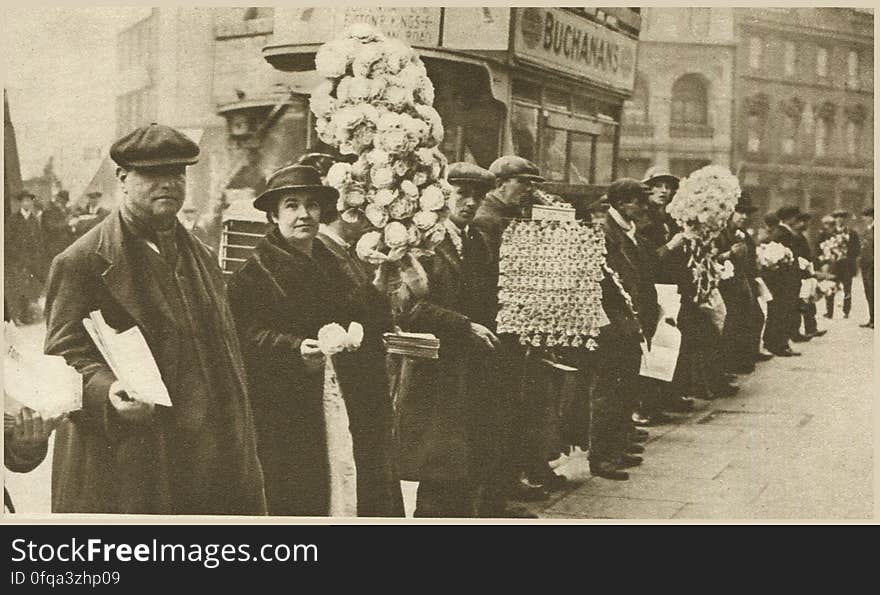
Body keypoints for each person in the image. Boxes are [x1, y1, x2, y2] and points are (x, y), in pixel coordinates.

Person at [43, 123, 266, 514]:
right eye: (152, 173)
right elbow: (61, 357)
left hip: (210, 458)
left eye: (176, 173)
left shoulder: (201, 256)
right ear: (122, 179)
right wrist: (107, 391)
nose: (167, 183)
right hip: (133, 461)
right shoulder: (82, 261)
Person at [395, 162, 501, 517]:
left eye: (478, 197)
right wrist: (464, 325)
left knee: (467, 466)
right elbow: (408, 309)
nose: (470, 203)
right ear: (444, 196)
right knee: (437, 468)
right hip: (435, 371)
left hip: (471, 370)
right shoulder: (423, 242)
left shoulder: (478, 241)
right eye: (462, 195)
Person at [314, 166, 404, 517]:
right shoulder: (326, 252)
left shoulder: (344, 251)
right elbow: (351, 312)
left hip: (363, 379)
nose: (373, 222)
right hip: (352, 381)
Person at [472, 155, 550, 502]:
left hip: (512, 324)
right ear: (501, 183)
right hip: (497, 326)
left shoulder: (507, 216)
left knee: (515, 406)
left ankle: (508, 481)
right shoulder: (488, 220)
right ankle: (499, 489)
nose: (529, 190)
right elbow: (493, 277)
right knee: (500, 411)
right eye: (524, 183)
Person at [589, 179, 659, 481]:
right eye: (637, 201)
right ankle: (602, 456)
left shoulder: (626, 232)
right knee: (609, 392)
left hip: (630, 323)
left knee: (624, 389)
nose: (644, 208)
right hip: (615, 325)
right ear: (620, 203)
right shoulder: (605, 233)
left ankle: (616, 448)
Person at [717, 199, 766, 374]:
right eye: (740, 212)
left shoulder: (740, 233)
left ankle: (742, 361)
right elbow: (712, 257)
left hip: (742, 282)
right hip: (725, 285)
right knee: (731, 326)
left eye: (747, 213)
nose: (744, 217)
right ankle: (730, 366)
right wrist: (730, 253)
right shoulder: (720, 232)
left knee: (746, 321)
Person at [762, 205, 804, 357]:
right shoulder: (783, 233)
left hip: (784, 279)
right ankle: (778, 344)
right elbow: (775, 257)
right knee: (781, 312)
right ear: (790, 218)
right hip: (783, 280)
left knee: (781, 312)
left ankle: (777, 343)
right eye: (795, 217)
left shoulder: (782, 232)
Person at [5, 190, 48, 324]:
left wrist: (38, 259)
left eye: (29, 200)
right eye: (23, 201)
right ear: (20, 203)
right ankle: (17, 317)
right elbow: (8, 241)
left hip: (32, 262)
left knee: (31, 289)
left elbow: (39, 242)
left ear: (31, 202)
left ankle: (28, 316)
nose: (26, 203)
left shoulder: (34, 220)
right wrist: (17, 257)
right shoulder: (13, 220)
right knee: (18, 289)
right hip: (17, 261)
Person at [790, 211, 826, 342]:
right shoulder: (795, 237)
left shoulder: (800, 236)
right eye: (803, 222)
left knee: (808, 301)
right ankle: (797, 331)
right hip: (801, 272)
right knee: (801, 302)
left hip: (806, 272)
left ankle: (811, 328)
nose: (806, 224)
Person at [823, 210, 861, 319]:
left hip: (846, 265)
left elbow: (857, 249)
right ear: (834, 219)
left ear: (845, 219)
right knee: (830, 286)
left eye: (842, 217)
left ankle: (846, 311)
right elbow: (822, 247)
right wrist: (829, 255)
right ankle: (829, 312)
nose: (839, 219)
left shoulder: (852, 233)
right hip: (833, 265)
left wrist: (847, 255)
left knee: (847, 288)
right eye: (837, 217)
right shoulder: (828, 233)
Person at [41, 189, 75, 266]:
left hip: (62, 245)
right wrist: (67, 223)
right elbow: (51, 227)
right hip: (53, 246)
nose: (64, 204)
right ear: (58, 199)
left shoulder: (61, 210)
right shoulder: (49, 211)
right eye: (63, 202)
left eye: (65, 202)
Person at [860, 206, 874, 328]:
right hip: (866, 265)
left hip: (873, 265)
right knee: (869, 292)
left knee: (874, 292)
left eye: (865, 216)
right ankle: (872, 318)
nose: (864, 219)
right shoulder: (867, 230)